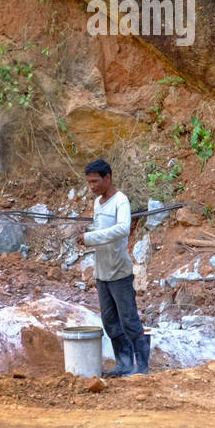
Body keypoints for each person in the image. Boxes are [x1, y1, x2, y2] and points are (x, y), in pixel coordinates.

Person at [78, 158, 149, 376]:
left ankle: (143, 368)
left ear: (107, 178)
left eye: (95, 181)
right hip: (102, 272)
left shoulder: (121, 201)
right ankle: (124, 365)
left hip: (119, 271)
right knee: (110, 321)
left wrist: (89, 237)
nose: (92, 186)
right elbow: (103, 231)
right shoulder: (98, 204)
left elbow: (122, 229)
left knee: (129, 320)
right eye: (89, 183)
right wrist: (88, 234)